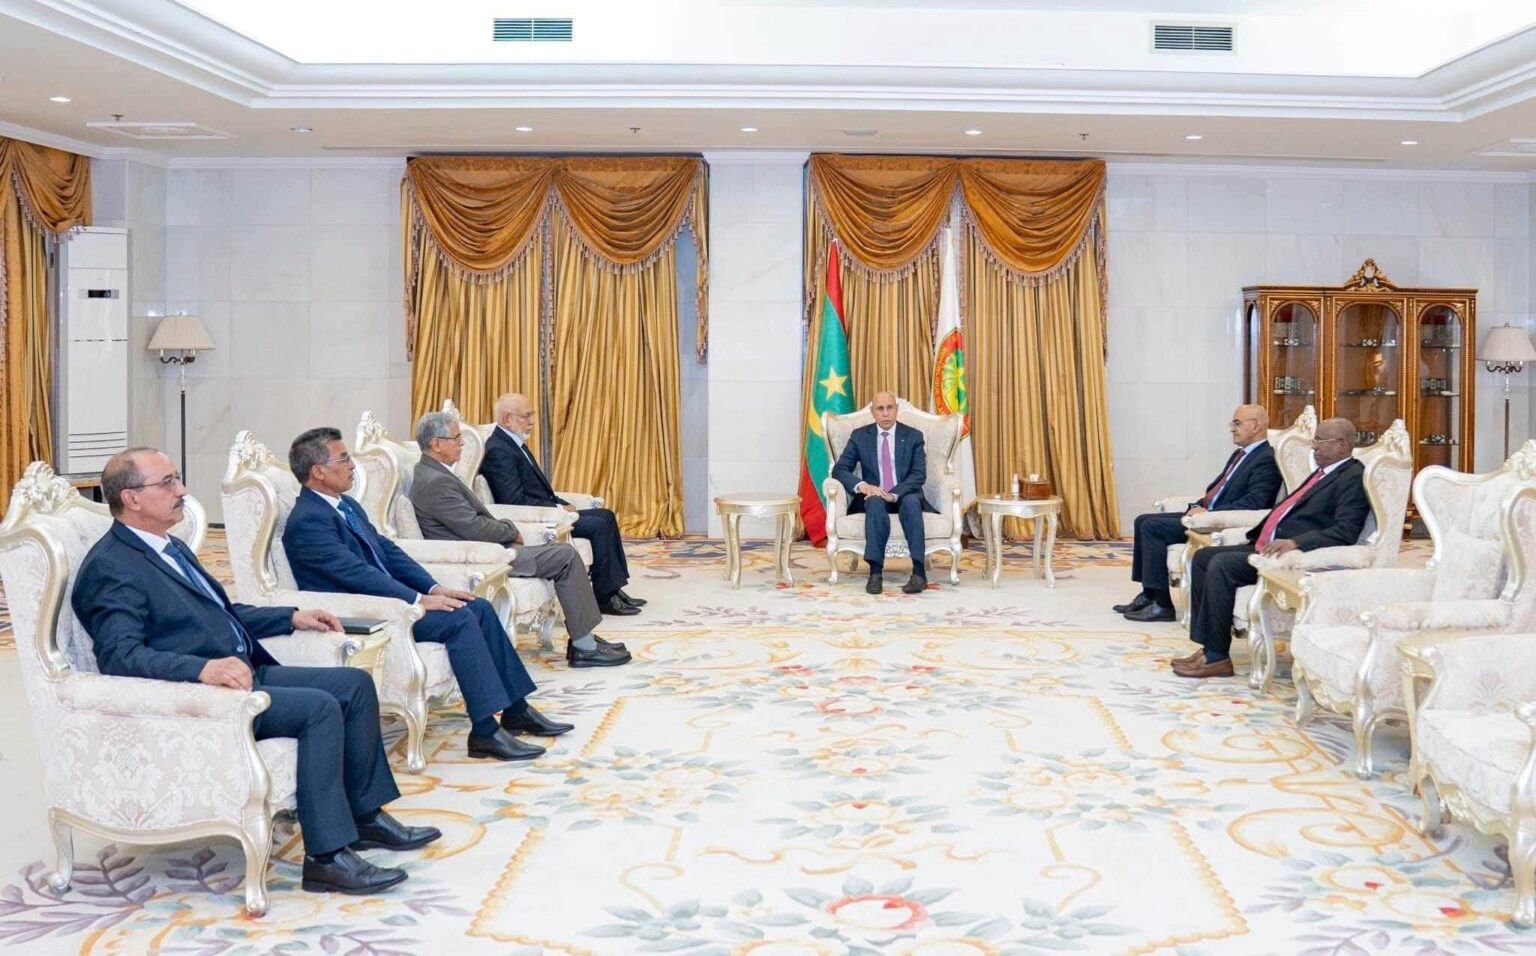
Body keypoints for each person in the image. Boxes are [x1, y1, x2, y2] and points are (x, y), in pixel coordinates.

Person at [71, 448, 441, 896]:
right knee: (320, 708)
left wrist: (290, 616)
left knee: (355, 685)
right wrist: (204, 669)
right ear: (131, 498)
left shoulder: (168, 545)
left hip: (246, 671)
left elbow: (220, 612)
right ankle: (327, 858)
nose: (182, 490)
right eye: (168, 483)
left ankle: (363, 816)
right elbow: (120, 655)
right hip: (208, 696)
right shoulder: (112, 566)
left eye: (177, 478)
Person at [281, 427, 571, 762]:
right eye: (343, 459)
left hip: (392, 602)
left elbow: (388, 552)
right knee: (459, 620)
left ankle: (516, 710)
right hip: (367, 614)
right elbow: (356, 575)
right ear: (318, 471)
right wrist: (417, 600)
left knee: (477, 607)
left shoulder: (344, 505)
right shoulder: (308, 521)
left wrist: (434, 588)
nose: (352, 465)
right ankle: (484, 732)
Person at [407, 411, 631, 669]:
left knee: (561, 551)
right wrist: (510, 531)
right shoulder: (434, 482)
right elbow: (473, 528)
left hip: (491, 550)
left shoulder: (434, 473)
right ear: (436, 444)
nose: (462, 443)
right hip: (485, 558)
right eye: (456, 438)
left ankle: (585, 639)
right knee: (566, 555)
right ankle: (584, 647)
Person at [1173, 417, 1372, 679]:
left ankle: (1218, 658)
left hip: (1287, 555)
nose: (1314, 447)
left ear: (1343, 444)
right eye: (1314, 440)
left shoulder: (1352, 477)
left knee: (1221, 565)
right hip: (1267, 546)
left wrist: (1295, 543)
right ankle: (1208, 647)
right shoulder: (1324, 472)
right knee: (1202, 558)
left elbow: (1345, 530)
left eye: (1320, 441)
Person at [478, 393, 644, 616]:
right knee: (599, 525)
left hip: (549, 511)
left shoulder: (513, 443)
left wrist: (561, 503)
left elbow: (539, 489)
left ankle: (613, 588)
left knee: (605, 515)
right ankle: (605, 597)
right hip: (537, 520)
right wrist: (557, 510)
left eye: (532, 415)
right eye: (526, 416)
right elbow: (514, 500)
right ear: (508, 418)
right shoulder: (498, 450)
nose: (532, 421)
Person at [1116, 404, 1282, 622]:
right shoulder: (1240, 454)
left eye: (1237, 423)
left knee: (1152, 527)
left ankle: (1162, 605)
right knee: (1142, 520)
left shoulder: (1266, 458)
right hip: (1207, 515)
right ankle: (1149, 594)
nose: (1232, 428)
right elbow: (1220, 489)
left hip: (1220, 522)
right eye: (1232, 423)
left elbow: (1255, 502)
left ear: (1256, 426)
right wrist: (1197, 505)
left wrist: (1210, 513)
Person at [830, 391, 937, 595]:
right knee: (874, 502)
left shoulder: (913, 436)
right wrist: (863, 486)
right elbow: (840, 469)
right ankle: (875, 573)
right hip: (875, 494)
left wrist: (894, 494)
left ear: (896, 410)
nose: (886, 413)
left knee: (911, 503)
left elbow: (918, 474)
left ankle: (919, 573)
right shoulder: (860, 436)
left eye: (890, 408)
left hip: (905, 492)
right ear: (872, 412)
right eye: (880, 409)